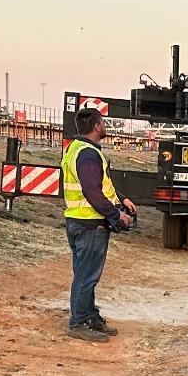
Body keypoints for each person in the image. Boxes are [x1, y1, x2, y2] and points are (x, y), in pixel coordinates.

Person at [61, 105, 137, 340]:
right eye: (103, 123)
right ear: (96, 126)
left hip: (79, 221)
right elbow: (92, 192)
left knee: (85, 274)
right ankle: (79, 323)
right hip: (90, 224)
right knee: (86, 276)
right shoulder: (88, 154)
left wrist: (121, 199)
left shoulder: (76, 148)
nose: (105, 126)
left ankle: (90, 316)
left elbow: (100, 185)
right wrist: (117, 216)